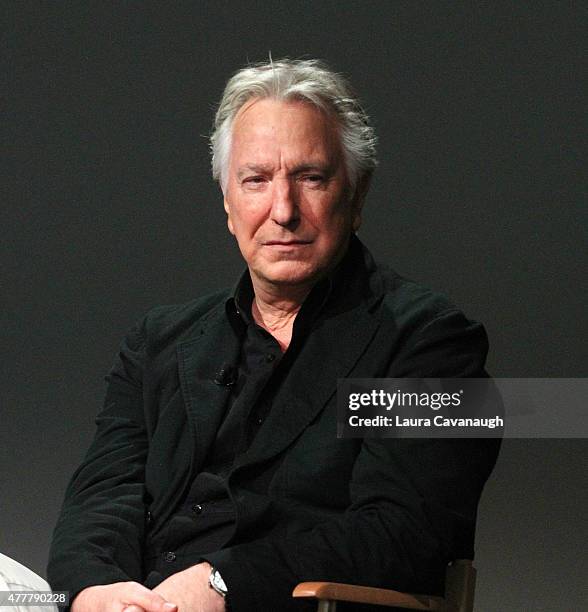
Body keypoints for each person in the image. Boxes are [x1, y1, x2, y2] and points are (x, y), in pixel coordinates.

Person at [47, 58, 500, 612]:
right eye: (256, 180)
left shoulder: (435, 342)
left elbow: (405, 535)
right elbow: (100, 496)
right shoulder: (157, 341)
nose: (282, 211)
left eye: (310, 178)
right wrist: (95, 590)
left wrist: (221, 584)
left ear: (356, 197)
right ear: (227, 202)